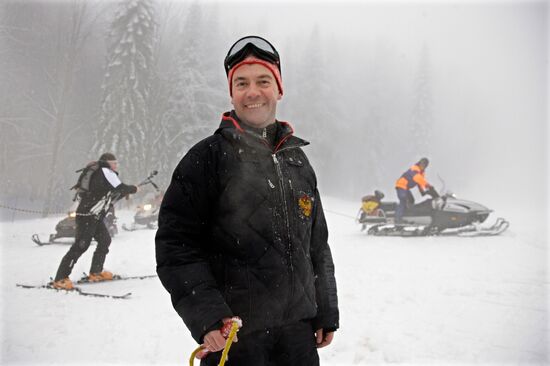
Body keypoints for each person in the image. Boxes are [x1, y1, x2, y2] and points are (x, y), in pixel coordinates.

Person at [155, 35, 339, 366]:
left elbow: (318, 245)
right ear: (231, 93)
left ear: (279, 89)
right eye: (241, 83)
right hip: (235, 339)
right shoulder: (205, 159)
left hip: (298, 338)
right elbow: (176, 246)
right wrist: (208, 316)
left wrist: (325, 309)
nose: (252, 92)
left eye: (263, 81)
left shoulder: (297, 161)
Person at [51, 152, 138, 289]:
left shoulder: (100, 174)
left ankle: (96, 272)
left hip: (94, 217)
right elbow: (119, 187)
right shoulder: (105, 171)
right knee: (80, 246)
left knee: (105, 241)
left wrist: (125, 192)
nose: (116, 165)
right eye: (114, 163)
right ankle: (60, 278)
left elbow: (108, 195)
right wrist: (133, 189)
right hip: (87, 216)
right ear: (108, 163)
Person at [394, 157, 437, 224]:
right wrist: (428, 185)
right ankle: (397, 219)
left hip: (406, 187)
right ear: (420, 163)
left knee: (411, 200)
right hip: (401, 185)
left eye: (425, 165)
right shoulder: (415, 168)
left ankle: (407, 215)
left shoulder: (421, 172)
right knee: (403, 200)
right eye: (422, 164)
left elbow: (419, 183)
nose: (423, 166)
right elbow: (418, 179)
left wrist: (422, 191)